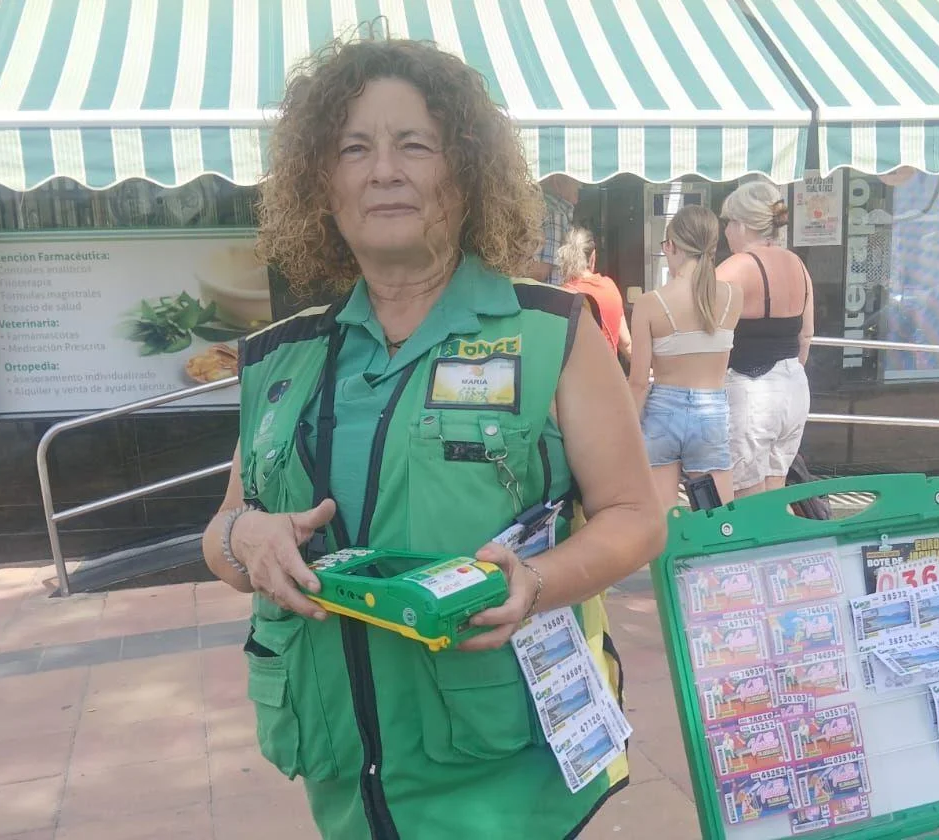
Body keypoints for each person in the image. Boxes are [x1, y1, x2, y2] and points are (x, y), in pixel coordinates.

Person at [199, 35, 664, 840]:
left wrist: (538, 582)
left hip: (502, 779)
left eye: (415, 144)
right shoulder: (283, 358)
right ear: (323, 184)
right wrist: (245, 539)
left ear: (467, 172)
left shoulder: (550, 332)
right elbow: (222, 530)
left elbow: (636, 516)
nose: (384, 170)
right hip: (346, 775)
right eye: (354, 148)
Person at [628, 205, 743, 510]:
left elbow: (638, 382)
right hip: (711, 413)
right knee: (717, 521)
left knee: (660, 521)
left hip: (662, 411)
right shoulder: (733, 296)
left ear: (672, 246)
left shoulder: (650, 303)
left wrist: (626, 431)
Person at [717, 180, 814, 498]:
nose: (726, 231)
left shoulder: (736, 267)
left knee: (746, 499)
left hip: (751, 392)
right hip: (794, 387)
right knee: (775, 495)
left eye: (728, 222)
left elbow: (701, 326)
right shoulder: (798, 265)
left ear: (742, 225)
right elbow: (806, 335)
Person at [558, 227, 632, 361]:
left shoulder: (562, 295)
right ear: (592, 257)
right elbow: (626, 343)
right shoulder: (609, 287)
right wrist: (646, 369)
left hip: (576, 372)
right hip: (607, 370)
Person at [530, 174, 579, 285]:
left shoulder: (541, 209)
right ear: (557, 182)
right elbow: (540, 272)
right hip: (545, 293)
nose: (579, 187)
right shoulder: (554, 215)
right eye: (575, 184)